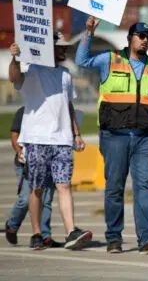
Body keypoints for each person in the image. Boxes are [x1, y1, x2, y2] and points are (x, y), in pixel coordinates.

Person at [75, 17, 148, 255]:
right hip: (114, 135)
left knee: (143, 188)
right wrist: (88, 32)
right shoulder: (110, 59)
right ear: (130, 38)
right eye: (141, 36)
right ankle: (114, 239)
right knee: (115, 188)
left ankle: (147, 239)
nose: (146, 41)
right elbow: (82, 60)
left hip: (145, 138)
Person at [8, 32, 92, 251]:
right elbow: (14, 78)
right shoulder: (32, 70)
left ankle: (71, 231)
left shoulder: (66, 74)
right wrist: (15, 58)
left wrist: (76, 133)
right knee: (37, 188)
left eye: (65, 46)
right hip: (36, 139)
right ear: (48, 48)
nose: (64, 49)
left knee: (64, 185)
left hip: (62, 139)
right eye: (60, 46)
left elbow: (69, 105)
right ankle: (36, 233)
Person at [5, 106, 62, 248]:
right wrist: (19, 151)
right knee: (25, 199)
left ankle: (45, 235)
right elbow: (14, 134)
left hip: (48, 161)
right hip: (26, 163)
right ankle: (12, 225)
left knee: (46, 200)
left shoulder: (53, 110)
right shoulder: (24, 110)